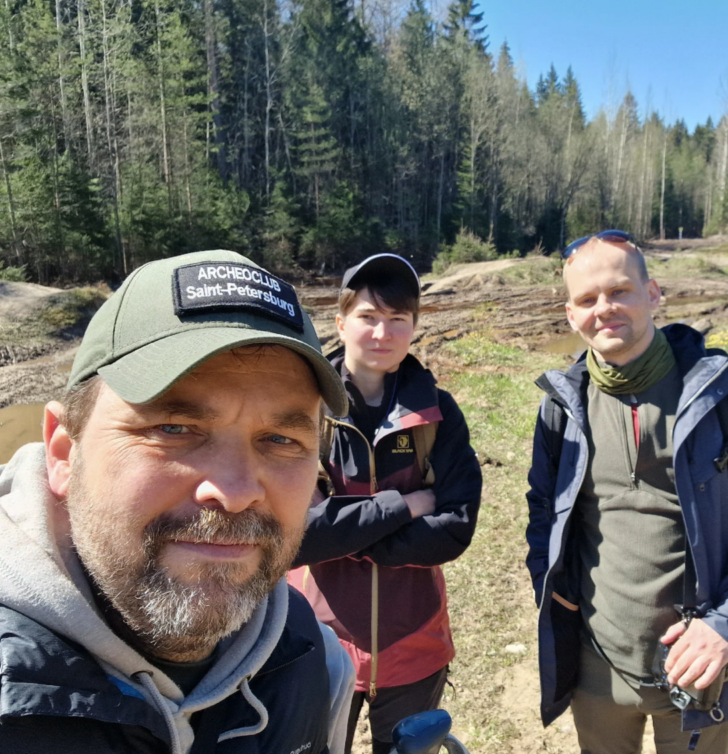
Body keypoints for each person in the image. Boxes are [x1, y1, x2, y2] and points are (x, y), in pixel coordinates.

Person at [0, 250, 356, 753]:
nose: (234, 494)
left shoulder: (313, 660)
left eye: (280, 439)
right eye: (173, 429)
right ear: (63, 452)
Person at [525, 231, 728, 753]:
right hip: (595, 671)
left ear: (653, 294)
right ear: (570, 314)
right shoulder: (562, 407)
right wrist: (552, 591)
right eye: (587, 299)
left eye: (620, 290)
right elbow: (543, 511)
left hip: (700, 673)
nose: (604, 309)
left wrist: (725, 627)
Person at [289, 253, 482, 754]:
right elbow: (298, 534)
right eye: (368, 317)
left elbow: (456, 527)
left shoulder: (438, 413)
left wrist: (349, 535)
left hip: (414, 642)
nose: (383, 332)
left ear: (415, 327)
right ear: (340, 322)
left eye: (398, 319)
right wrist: (406, 505)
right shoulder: (305, 413)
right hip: (316, 640)